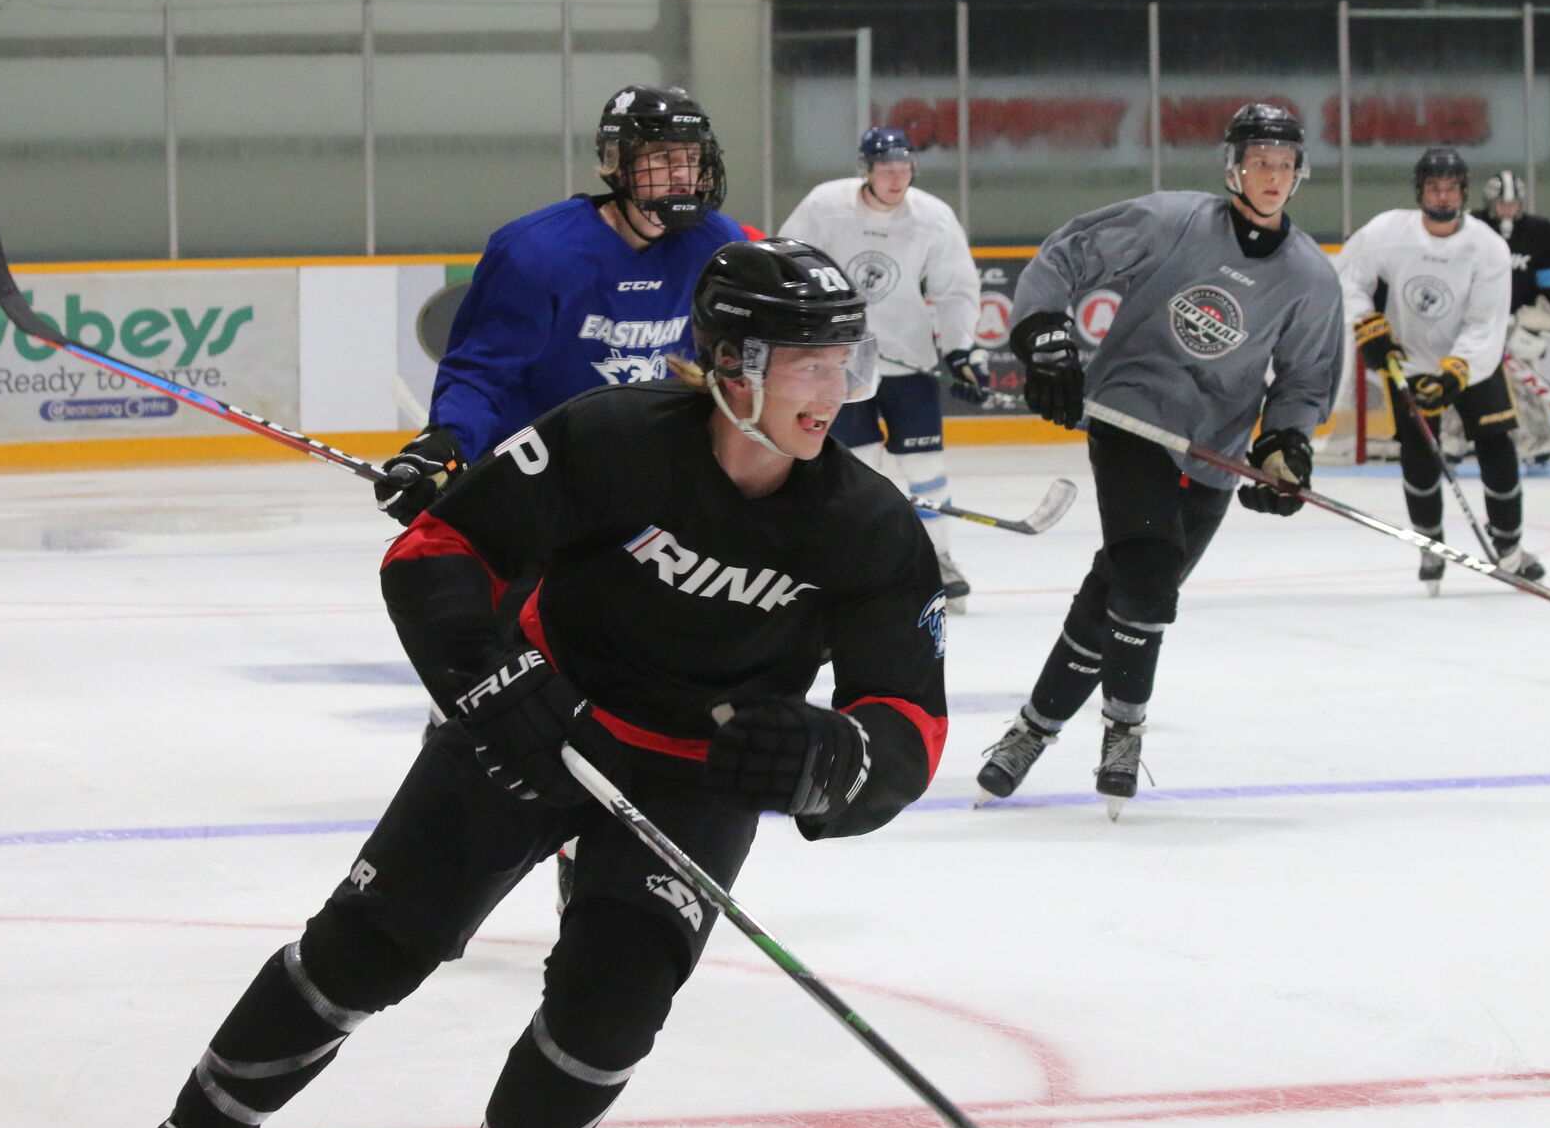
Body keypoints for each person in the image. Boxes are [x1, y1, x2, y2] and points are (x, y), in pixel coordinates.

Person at [55, 240, 949, 1128]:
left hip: (688, 781)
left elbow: (910, 722)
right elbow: (435, 553)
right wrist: (490, 681)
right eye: (810, 364)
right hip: (537, 724)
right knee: (365, 953)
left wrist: (832, 759)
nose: (835, 389)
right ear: (736, 368)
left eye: (843, 361)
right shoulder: (613, 438)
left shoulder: (869, 525)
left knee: (613, 1004)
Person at [975, 103, 1344, 818]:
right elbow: (1065, 255)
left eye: (1285, 163)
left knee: (1117, 591)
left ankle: (1031, 728)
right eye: (1259, 160)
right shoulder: (1171, 220)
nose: (1272, 175)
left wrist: (1283, 445)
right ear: (1233, 164)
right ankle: (1124, 730)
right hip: (1131, 418)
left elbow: (1302, 380)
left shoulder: (1309, 278)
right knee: (1145, 572)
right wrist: (1045, 337)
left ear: (1299, 174)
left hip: (1212, 450)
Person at [373, 84, 749, 524]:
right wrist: (446, 444)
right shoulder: (537, 251)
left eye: (691, 158)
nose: (684, 175)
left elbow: (728, 366)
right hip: (536, 482)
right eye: (664, 157)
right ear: (617, 162)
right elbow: (483, 373)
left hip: (649, 481)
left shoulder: (719, 245)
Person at [778, 126, 988, 610]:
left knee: (924, 464)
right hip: (840, 362)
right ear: (866, 171)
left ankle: (938, 557)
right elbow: (790, 263)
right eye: (886, 169)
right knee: (859, 465)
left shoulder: (933, 216)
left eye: (904, 168)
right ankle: (855, 558)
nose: (897, 178)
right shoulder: (825, 204)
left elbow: (956, 287)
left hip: (908, 359)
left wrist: (959, 350)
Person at [1340, 148, 1542, 596]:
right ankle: (1430, 545)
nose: (1443, 195)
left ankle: (1509, 550)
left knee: (1497, 445)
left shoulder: (1487, 245)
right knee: (1417, 452)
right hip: (1407, 360)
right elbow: (1349, 278)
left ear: (1464, 193)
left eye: (1451, 187)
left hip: (1473, 364)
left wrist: (1457, 371)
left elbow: (1486, 321)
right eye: (1434, 187)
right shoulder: (1387, 231)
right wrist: (1366, 324)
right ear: (1420, 191)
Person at [1477, 169, 1550, 471]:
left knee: (1525, 383)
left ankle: (1540, 444)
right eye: (1502, 204)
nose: (1508, 210)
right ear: (1489, 203)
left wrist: (1536, 322)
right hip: (1477, 322)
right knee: (1463, 382)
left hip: (1519, 322)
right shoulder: (1471, 229)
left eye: (1513, 203)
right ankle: (1454, 442)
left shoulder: (1541, 233)